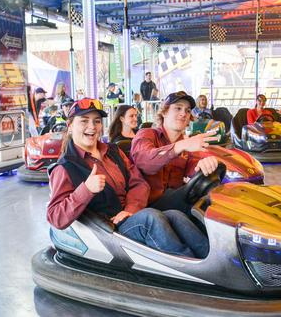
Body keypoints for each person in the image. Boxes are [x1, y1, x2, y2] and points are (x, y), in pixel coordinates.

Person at [47, 98, 208, 258]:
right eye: (84, 121)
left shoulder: (113, 151)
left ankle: (214, 260)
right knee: (151, 218)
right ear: (70, 126)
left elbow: (139, 183)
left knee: (175, 215)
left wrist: (130, 210)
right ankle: (191, 270)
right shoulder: (65, 167)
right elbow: (55, 217)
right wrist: (86, 190)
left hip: (130, 217)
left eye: (96, 121)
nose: (92, 127)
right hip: (108, 230)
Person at [130, 92, 220, 212]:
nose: (183, 114)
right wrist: (180, 146)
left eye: (187, 111)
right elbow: (145, 162)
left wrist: (205, 164)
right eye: (178, 108)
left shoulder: (187, 146)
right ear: (164, 112)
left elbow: (194, 168)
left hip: (173, 204)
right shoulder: (146, 134)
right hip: (148, 205)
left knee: (213, 200)